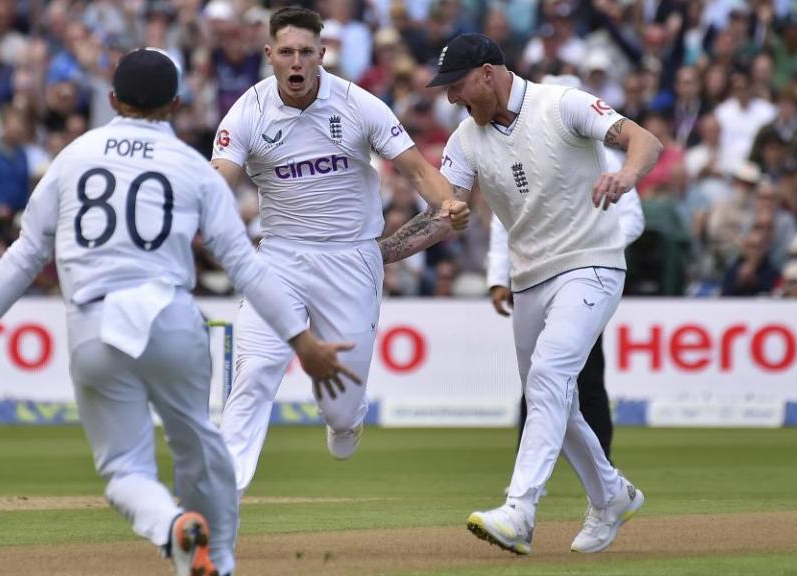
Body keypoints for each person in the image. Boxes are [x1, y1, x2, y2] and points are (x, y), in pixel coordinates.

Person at [0, 47, 360, 576]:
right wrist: (300, 341)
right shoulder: (192, 166)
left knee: (124, 468)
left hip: (94, 328)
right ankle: (218, 560)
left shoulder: (74, 156)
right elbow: (244, 264)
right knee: (201, 450)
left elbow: (25, 254)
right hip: (170, 319)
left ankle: (171, 527)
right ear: (174, 104)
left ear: (111, 99)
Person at [379, 34, 661, 555]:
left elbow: (645, 140)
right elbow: (446, 216)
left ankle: (520, 509)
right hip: (530, 277)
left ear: (488, 73)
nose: (451, 99)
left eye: (458, 86)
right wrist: (377, 255)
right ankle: (612, 494)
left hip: (592, 262)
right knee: (552, 395)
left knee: (550, 376)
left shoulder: (563, 103)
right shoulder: (466, 139)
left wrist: (624, 174)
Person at [209, 6, 469, 496]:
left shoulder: (358, 104)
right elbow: (218, 177)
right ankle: (221, 498)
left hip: (351, 259)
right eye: (286, 52)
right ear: (269, 55)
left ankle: (347, 421)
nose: (296, 62)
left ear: (321, 54)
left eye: (306, 52)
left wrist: (449, 204)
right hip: (280, 258)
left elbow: (416, 171)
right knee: (256, 373)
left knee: (340, 407)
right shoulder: (247, 110)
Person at [488, 75, 646, 464]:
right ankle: (528, 462)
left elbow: (633, 219)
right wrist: (498, 277)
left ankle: (600, 462)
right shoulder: (523, 151)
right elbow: (502, 218)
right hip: (535, 275)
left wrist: (591, 250)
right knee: (535, 378)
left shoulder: (606, 158)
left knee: (587, 376)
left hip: (586, 278)